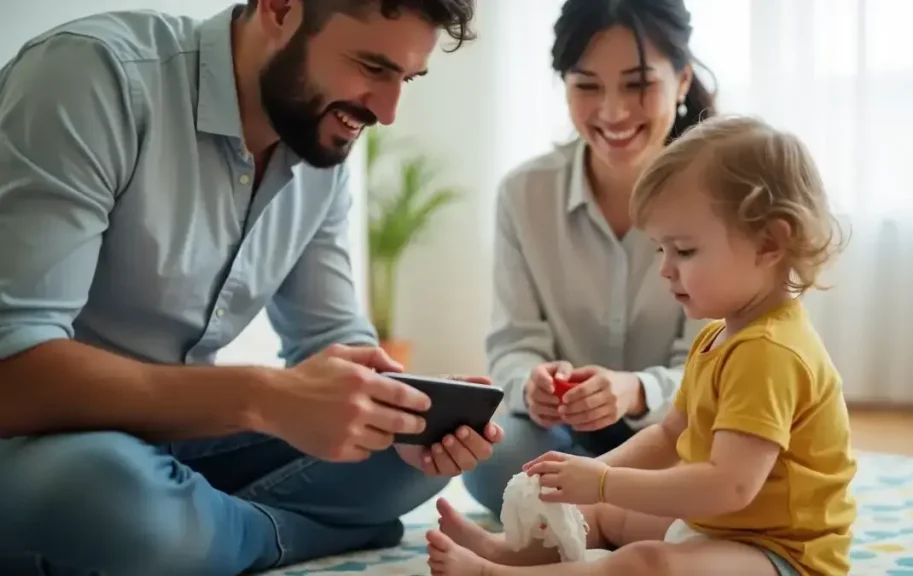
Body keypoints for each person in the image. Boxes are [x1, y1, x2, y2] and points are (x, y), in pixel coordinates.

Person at [0, 1, 503, 575]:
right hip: (47, 440)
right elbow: (12, 369)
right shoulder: (93, 75)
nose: (387, 112)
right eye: (372, 66)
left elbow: (331, 337)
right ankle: (292, 532)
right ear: (281, 8)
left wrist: (394, 413)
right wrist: (265, 398)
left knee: (410, 461)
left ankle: (208, 535)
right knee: (116, 501)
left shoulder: (317, 136)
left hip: (183, 441)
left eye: (405, 78)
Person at [425, 114, 858, 576]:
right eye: (660, 250)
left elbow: (729, 486)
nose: (666, 270)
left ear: (770, 243)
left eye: (684, 251)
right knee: (612, 514)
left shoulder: (772, 352)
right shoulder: (719, 336)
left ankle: (497, 575)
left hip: (781, 557)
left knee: (646, 564)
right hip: (720, 529)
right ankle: (503, 550)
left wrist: (605, 481)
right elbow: (670, 435)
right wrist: (583, 476)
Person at [462, 0, 717, 516]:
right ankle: (621, 506)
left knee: (728, 457)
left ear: (682, 79)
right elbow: (513, 344)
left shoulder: (720, 196)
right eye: (587, 86)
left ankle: (594, 505)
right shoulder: (523, 194)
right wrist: (531, 385)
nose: (613, 112)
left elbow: (722, 361)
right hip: (558, 435)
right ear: (565, 85)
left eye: (637, 84)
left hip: (682, 428)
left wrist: (637, 391)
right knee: (492, 456)